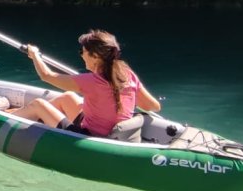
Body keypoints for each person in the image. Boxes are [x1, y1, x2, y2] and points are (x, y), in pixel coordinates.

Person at [11, 29, 160, 137]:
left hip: (89, 137)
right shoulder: (128, 74)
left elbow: (46, 76)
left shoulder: (91, 81)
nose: (81, 55)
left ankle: (7, 118)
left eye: (82, 52)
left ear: (95, 56)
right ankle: (26, 115)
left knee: (39, 104)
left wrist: (35, 55)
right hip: (112, 131)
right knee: (68, 97)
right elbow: (153, 106)